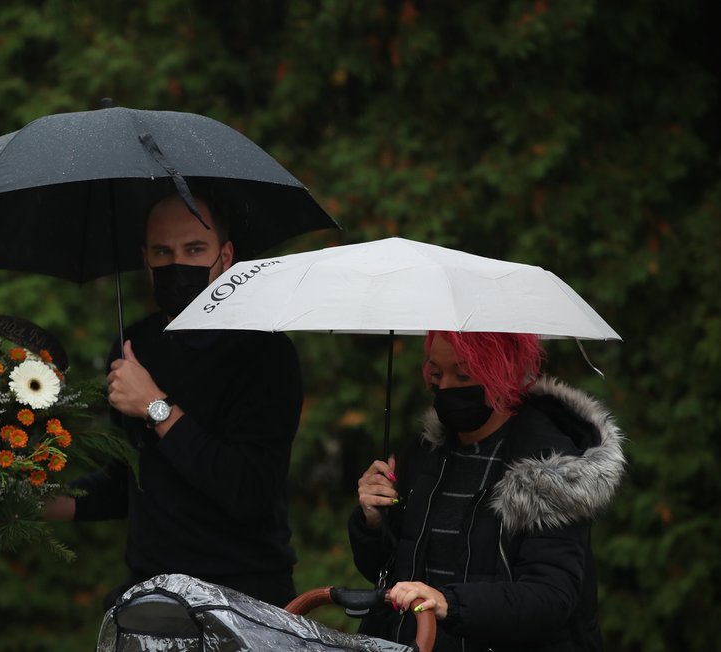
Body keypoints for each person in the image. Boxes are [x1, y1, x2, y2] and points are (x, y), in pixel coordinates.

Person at [47, 192, 303, 609]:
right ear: (145, 259)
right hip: (151, 599)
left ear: (226, 255)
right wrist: (33, 500)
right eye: (162, 252)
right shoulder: (134, 348)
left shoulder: (265, 353)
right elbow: (129, 481)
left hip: (243, 599)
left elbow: (248, 490)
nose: (176, 265)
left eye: (194, 250)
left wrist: (155, 407)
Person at [349, 331, 625, 651]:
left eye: (463, 374)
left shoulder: (548, 466)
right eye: (436, 373)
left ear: (502, 371)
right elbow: (389, 573)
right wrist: (373, 521)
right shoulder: (426, 453)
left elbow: (550, 597)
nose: (447, 386)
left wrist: (449, 604)